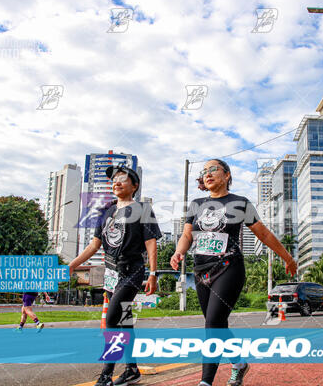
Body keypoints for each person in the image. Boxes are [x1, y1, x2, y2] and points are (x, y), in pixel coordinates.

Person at [170, 159, 297, 386]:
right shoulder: (196, 204)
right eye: (204, 171)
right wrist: (179, 252)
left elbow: (264, 234)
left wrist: (288, 258)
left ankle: (205, 382)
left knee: (212, 323)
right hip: (201, 271)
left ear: (227, 175)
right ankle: (239, 363)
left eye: (213, 170)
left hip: (229, 267)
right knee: (217, 324)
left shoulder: (239, 203)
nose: (208, 174)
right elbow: (187, 235)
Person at [69, 164, 161, 386]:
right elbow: (94, 246)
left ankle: (106, 375)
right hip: (111, 273)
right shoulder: (106, 212)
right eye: (113, 180)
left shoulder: (142, 209)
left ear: (135, 186)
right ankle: (132, 369)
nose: (116, 182)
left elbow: (151, 244)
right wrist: (71, 265)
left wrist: (153, 273)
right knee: (124, 321)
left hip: (132, 271)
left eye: (122, 179)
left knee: (111, 318)